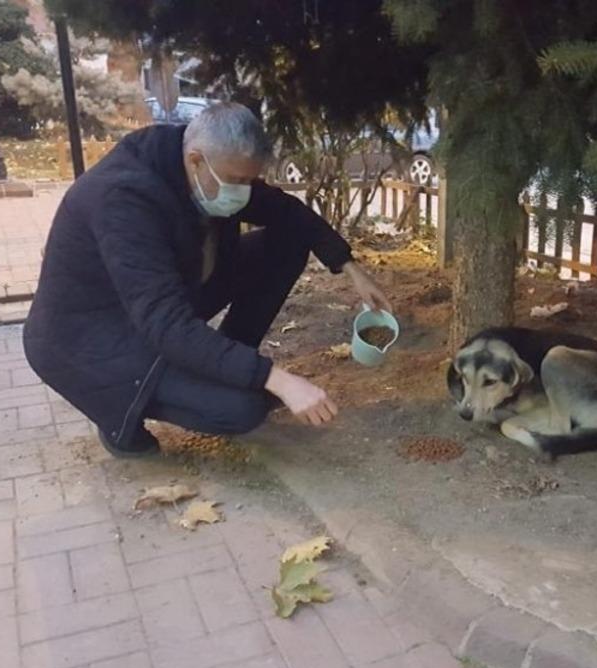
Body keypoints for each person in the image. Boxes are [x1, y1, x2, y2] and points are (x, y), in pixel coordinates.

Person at [23, 103, 392, 457]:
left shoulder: (204, 168)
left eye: (250, 180)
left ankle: (221, 362)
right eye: (236, 180)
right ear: (196, 160)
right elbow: (164, 325)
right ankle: (120, 421)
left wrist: (349, 267)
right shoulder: (124, 201)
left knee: (289, 240)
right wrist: (277, 379)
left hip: (163, 301)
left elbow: (286, 211)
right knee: (244, 409)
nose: (244, 192)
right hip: (92, 340)